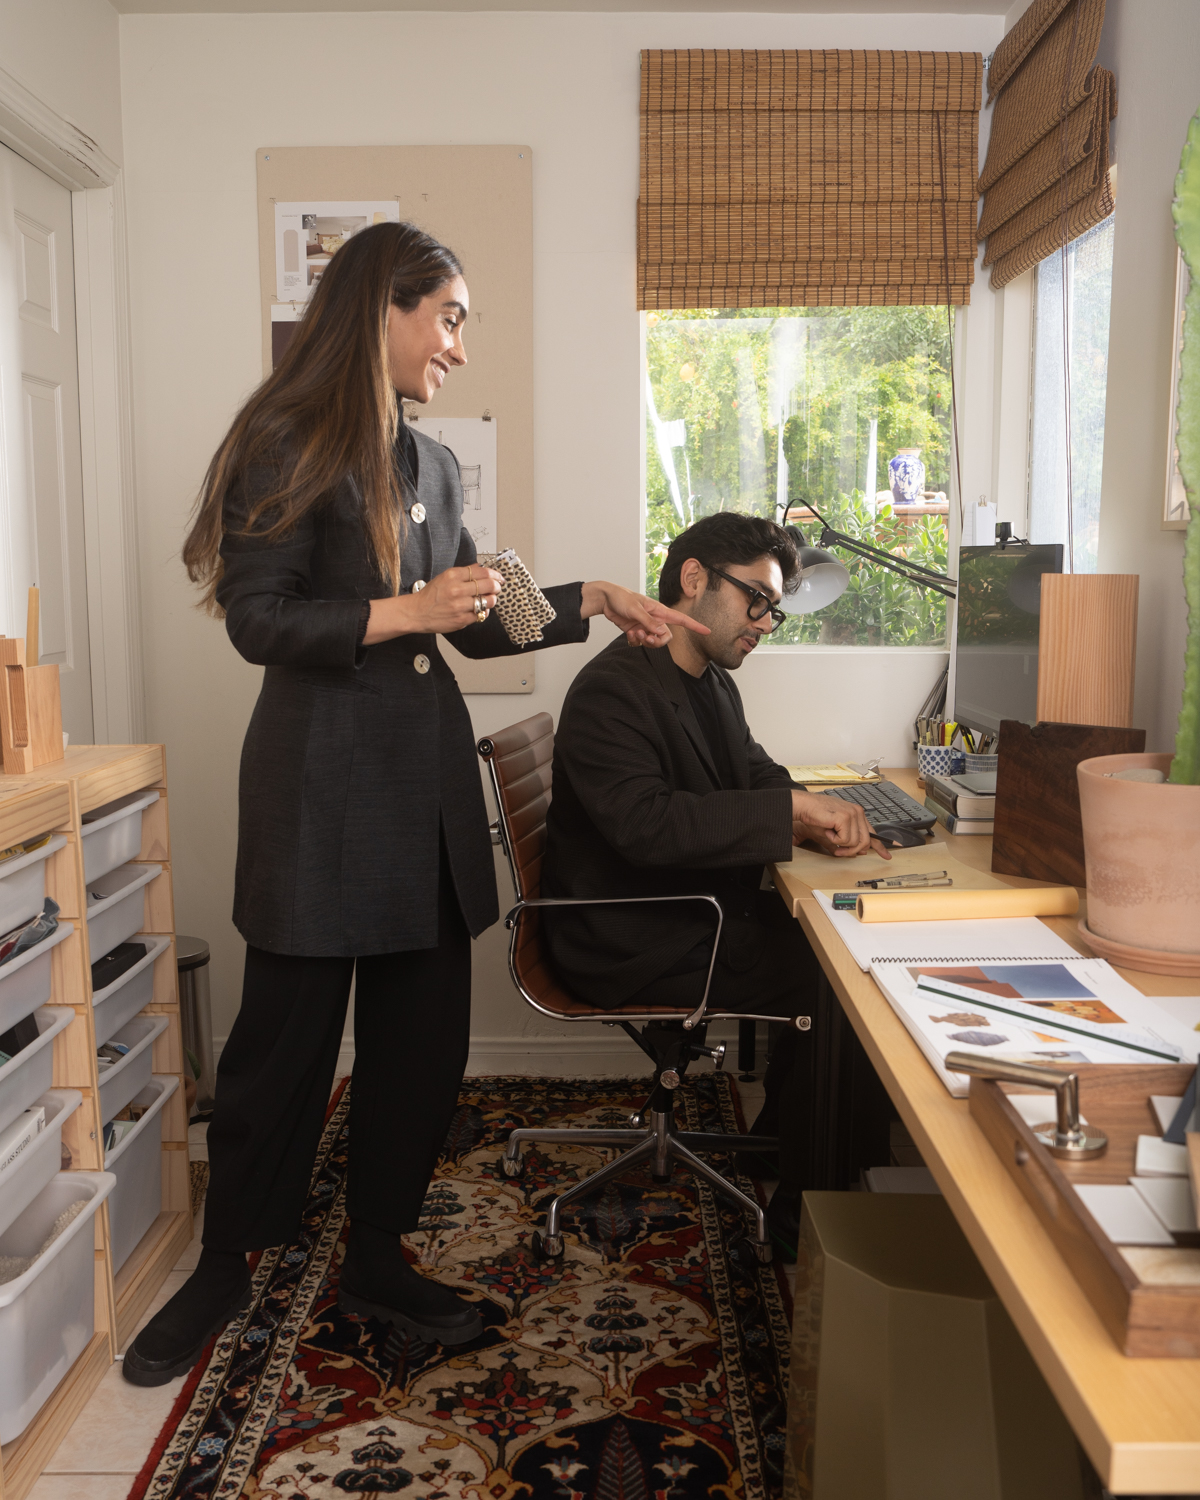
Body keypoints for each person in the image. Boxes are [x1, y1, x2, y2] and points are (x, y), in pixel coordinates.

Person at [122, 222, 705, 1386]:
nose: (456, 344)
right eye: (447, 316)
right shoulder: (284, 438)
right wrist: (401, 613)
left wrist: (590, 597)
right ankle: (227, 1261)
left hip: (423, 792)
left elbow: (478, 609)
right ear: (379, 310)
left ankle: (377, 1253)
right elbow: (257, 619)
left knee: (420, 1047)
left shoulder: (432, 463)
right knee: (280, 1049)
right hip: (318, 793)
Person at [540, 513, 890, 1254]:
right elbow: (649, 826)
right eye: (755, 599)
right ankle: (811, 1202)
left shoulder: (705, 679)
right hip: (627, 932)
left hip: (688, 913)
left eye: (774, 608)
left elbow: (751, 767)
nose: (765, 622)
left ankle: (790, 1144)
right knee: (845, 978)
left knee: (834, 949)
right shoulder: (615, 690)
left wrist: (808, 807)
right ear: (694, 579)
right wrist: (787, 811)